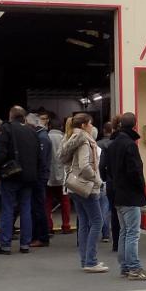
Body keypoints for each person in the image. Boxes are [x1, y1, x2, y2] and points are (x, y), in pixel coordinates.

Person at [106, 112, 146, 280]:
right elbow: (135, 171)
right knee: (133, 233)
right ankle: (134, 268)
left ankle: (125, 267)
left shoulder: (112, 145)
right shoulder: (130, 145)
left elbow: (106, 171)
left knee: (124, 232)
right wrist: (141, 188)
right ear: (134, 125)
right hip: (130, 194)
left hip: (117, 193)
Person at [60, 113, 107, 272]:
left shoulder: (70, 138)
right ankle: (91, 261)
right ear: (83, 125)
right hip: (87, 187)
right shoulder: (85, 141)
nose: (92, 126)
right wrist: (98, 181)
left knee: (84, 223)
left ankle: (85, 260)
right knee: (97, 222)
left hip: (74, 187)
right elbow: (85, 166)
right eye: (90, 124)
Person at [0, 106, 41, 255]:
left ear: (10, 116)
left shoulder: (6, 129)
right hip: (29, 176)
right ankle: (25, 244)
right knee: (26, 209)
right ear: (24, 117)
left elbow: (0, 154)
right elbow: (38, 155)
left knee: (8, 208)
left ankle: (5, 245)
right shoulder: (32, 131)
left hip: (12, 174)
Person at [27, 113, 53, 248]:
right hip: (39, 176)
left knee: (38, 208)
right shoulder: (40, 136)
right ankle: (37, 235)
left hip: (39, 177)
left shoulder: (42, 138)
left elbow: (41, 160)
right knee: (36, 207)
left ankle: (42, 237)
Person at [44, 117, 72, 235]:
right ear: (61, 127)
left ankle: (48, 226)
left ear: (49, 126)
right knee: (65, 202)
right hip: (63, 176)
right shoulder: (65, 139)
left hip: (49, 175)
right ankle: (66, 226)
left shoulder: (45, 138)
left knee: (47, 202)